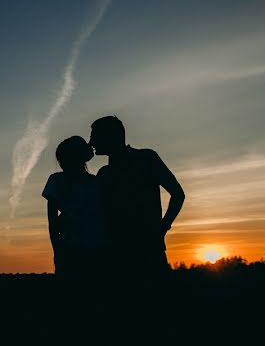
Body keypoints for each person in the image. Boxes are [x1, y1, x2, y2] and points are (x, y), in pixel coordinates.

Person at [89, 116, 184, 279]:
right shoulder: (104, 174)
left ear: (111, 136)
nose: (91, 142)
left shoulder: (147, 158)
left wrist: (163, 227)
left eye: (94, 136)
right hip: (114, 253)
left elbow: (177, 193)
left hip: (147, 250)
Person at [41, 136, 107, 277]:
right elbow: (52, 222)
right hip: (71, 248)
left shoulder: (97, 183)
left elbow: (53, 221)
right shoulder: (57, 180)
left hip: (95, 248)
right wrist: (57, 250)